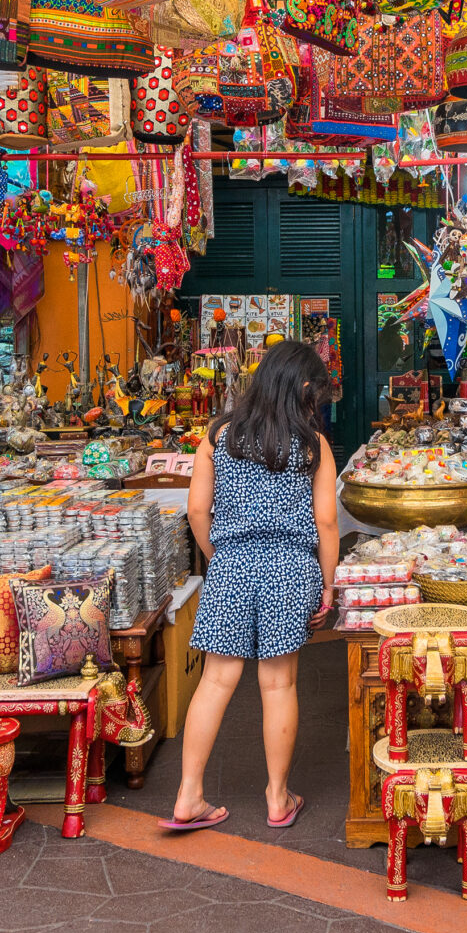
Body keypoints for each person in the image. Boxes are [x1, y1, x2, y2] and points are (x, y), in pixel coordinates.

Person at [167, 338, 338, 833]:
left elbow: (197, 510)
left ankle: (187, 796)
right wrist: (327, 585)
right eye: (315, 397)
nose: (315, 407)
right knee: (279, 682)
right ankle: (277, 798)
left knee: (215, 682)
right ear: (303, 387)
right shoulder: (312, 445)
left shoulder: (217, 436)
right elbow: (326, 523)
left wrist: (218, 556)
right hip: (290, 568)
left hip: (231, 566)